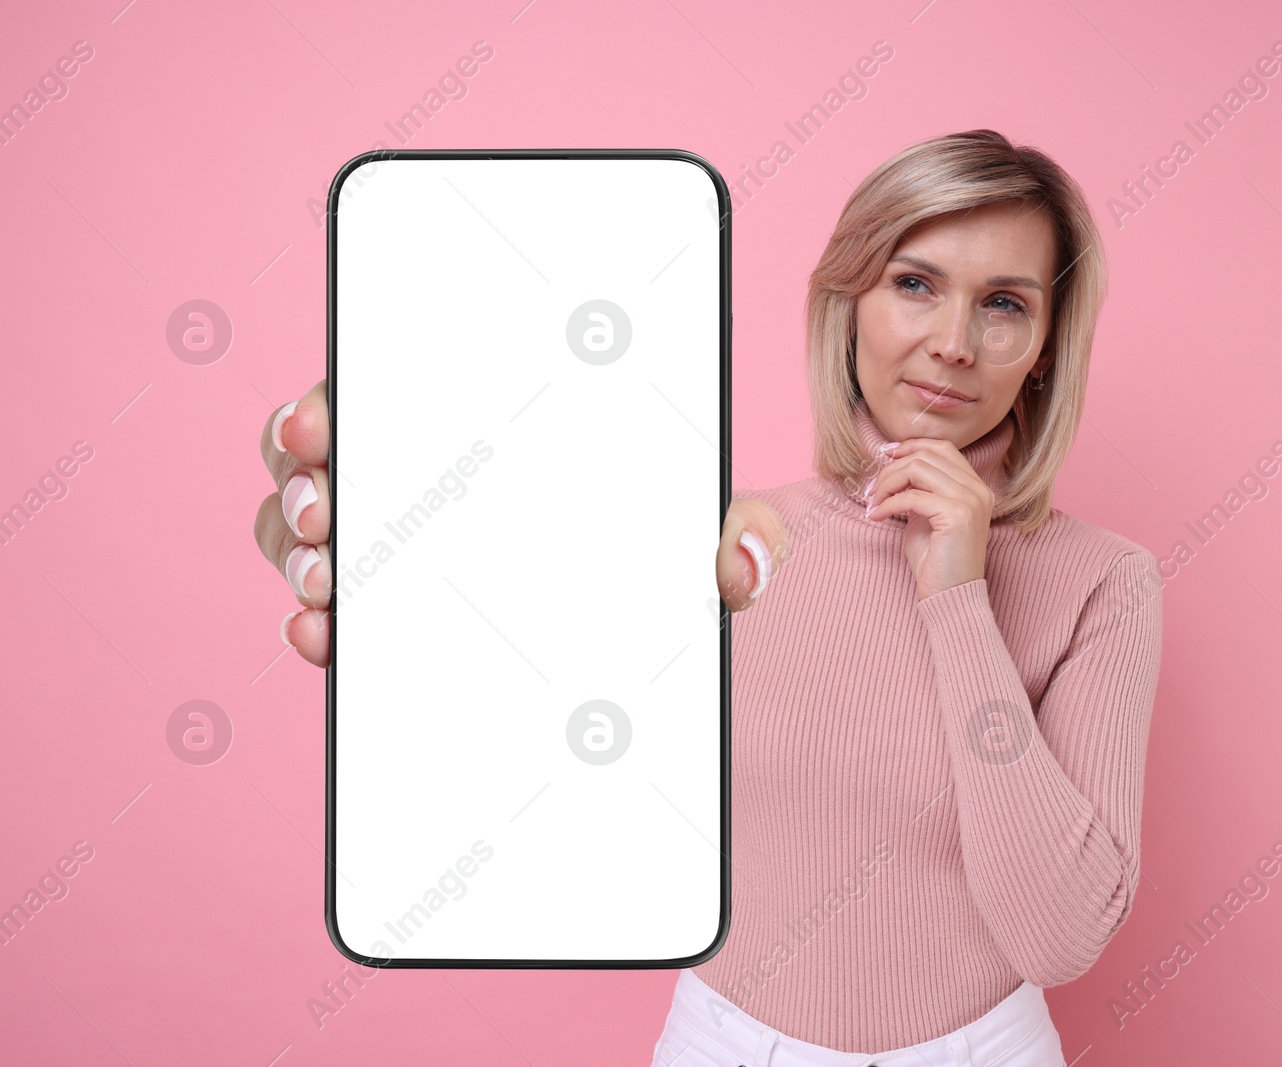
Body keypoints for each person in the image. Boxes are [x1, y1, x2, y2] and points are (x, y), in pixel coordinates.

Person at [254, 129, 1163, 1067]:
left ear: (1046, 348)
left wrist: (959, 596)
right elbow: (534, 758)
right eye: (915, 283)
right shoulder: (732, 540)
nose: (952, 344)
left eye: (1004, 304)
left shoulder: (1105, 583)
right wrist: (412, 530)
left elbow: (1059, 935)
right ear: (848, 303)